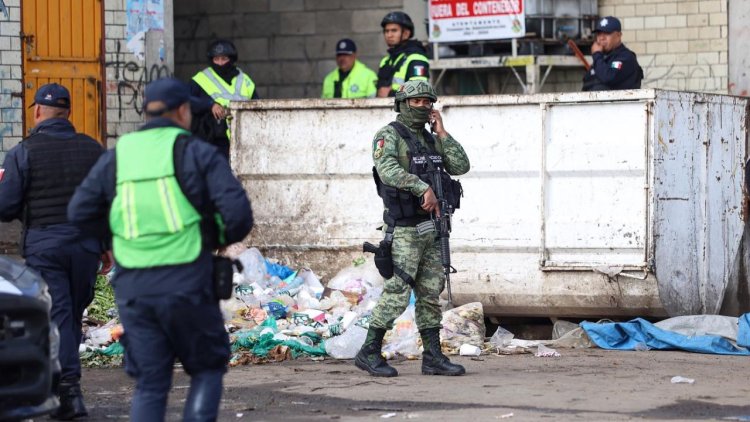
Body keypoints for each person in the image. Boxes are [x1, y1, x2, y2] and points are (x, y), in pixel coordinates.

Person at [67, 78, 253, 421]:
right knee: (207, 368)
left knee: (151, 382)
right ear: (182, 111)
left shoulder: (119, 155)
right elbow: (239, 216)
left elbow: (79, 212)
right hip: (188, 282)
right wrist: (213, 236)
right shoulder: (196, 152)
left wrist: (110, 243)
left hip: (134, 287)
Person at [0, 83, 107, 420]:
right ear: (69, 113)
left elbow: (5, 206)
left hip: (45, 247)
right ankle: (62, 389)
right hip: (86, 247)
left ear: (36, 112)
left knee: (58, 316)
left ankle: (68, 393)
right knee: (70, 315)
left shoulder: (23, 152)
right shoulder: (94, 150)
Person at [355, 80, 470, 377]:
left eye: (426, 102)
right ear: (402, 104)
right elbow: (387, 170)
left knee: (431, 292)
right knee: (397, 293)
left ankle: (432, 357)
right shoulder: (389, 136)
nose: (421, 107)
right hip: (405, 230)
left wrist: (441, 132)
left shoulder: (432, 139)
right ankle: (368, 351)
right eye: (415, 102)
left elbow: (460, 166)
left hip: (433, 229)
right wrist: (421, 188)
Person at [190, 39, 258, 158]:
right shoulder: (201, 79)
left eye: (224, 59)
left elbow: (257, 106)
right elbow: (187, 102)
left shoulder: (245, 80)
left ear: (231, 59)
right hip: (213, 141)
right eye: (216, 59)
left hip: (244, 140)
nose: (220, 63)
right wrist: (210, 105)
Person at [582, 16, 644, 91]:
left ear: (618, 36)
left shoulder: (625, 57)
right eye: (599, 34)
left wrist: (597, 55)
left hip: (620, 102)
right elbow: (587, 84)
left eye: (607, 33)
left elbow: (608, 78)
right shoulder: (602, 59)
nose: (601, 38)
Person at [376, 11, 430, 97]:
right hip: (385, 109)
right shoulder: (386, 60)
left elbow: (419, 92)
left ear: (406, 34)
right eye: (386, 31)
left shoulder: (416, 58)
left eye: (394, 31)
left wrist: (390, 94)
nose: (389, 35)